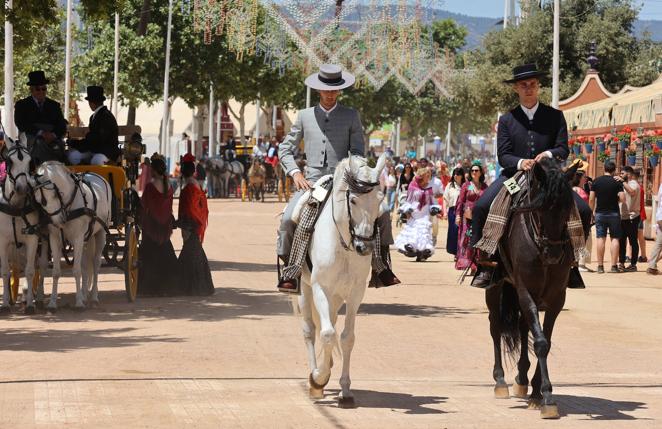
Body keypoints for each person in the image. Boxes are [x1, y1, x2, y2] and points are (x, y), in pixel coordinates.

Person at [276, 64, 400, 293]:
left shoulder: (351, 115)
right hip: (312, 182)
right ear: (318, 90)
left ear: (340, 91)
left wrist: (360, 173)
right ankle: (291, 271)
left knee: (380, 214)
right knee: (288, 219)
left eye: (334, 90)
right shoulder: (304, 116)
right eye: (326, 90)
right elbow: (285, 149)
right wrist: (295, 172)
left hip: (346, 182)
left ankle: (381, 267)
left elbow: (358, 151)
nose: (330, 94)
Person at [470, 64, 592, 287]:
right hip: (514, 176)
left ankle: (572, 262)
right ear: (516, 88)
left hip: (549, 178)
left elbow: (562, 149)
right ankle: (484, 264)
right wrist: (520, 162)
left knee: (584, 210)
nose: (529, 89)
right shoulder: (507, 120)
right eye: (524, 85)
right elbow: (503, 155)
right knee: (481, 207)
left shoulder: (555, 116)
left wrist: (546, 154)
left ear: (538, 87)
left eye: (533, 85)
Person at [138, 153, 181, 296]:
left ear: (154, 171)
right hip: (165, 227)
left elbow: (144, 206)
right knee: (166, 255)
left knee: (149, 258)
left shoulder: (150, 187)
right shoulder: (169, 186)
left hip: (151, 227)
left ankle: (149, 289)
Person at [178, 153, 214, 296]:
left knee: (191, 253)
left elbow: (191, 209)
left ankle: (191, 287)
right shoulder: (195, 184)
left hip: (191, 224)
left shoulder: (190, 187)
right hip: (194, 223)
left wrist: (186, 224)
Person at [14, 70, 67, 165]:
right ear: (31, 90)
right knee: (39, 143)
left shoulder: (54, 105)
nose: (41, 91)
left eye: (44, 88)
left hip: (52, 139)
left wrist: (53, 135)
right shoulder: (22, 105)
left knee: (59, 147)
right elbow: (20, 124)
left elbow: (61, 125)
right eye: (38, 89)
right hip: (31, 138)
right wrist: (41, 133)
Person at [394, 167, 440, 261]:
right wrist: (407, 211)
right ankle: (412, 248)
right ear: (422, 176)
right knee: (413, 231)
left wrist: (434, 209)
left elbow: (431, 201)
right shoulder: (413, 185)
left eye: (429, 176)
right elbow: (409, 200)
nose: (428, 178)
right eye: (427, 176)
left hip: (425, 212)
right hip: (414, 212)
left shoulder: (429, 186)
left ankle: (423, 252)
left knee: (424, 231)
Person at [67, 86, 120, 165]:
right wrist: (76, 143)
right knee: (73, 156)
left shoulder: (106, 117)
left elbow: (98, 139)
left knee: (96, 160)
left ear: (91, 102)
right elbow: (93, 140)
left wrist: (76, 143)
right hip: (94, 150)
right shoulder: (94, 117)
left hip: (106, 152)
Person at [589, 161, 626, 274]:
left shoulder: (596, 181)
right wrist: (616, 200)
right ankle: (614, 266)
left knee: (601, 238)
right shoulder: (617, 182)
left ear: (604, 169)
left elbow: (591, 199)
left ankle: (600, 266)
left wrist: (591, 213)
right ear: (614, 170)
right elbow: (623, 199)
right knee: (615, 238)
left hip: (600, 213)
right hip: (614, 213)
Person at [455, 161, 487, 272]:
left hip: (480, 217)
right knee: (467, 239)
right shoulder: (466, 185)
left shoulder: (484, 186)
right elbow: (460, 201)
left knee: (478, 238)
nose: (474, 172)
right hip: (467, 218)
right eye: (472, 170)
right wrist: (458, 216)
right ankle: (468, 263)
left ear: (481, 172)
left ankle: (475, 264)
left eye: (476, 170)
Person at [569, 159, 592, 271]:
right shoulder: (575, 190)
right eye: (584, 176)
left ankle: (579, 262)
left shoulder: (582, 188)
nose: (586, 178)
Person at [616, 166, 640, 272]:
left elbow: (632, 192)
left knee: (633, 241)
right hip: (622, 217)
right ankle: (621, 262)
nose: (621, 175)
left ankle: (633, 264)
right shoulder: (623, 184)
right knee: (621, 240)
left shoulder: (633, 184)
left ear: (629, 174)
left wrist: (622, 182)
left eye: (622, 173)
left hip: (632, 217)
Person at [443, 167, 465, 259]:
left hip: (464, 211)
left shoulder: (467, 185)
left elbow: (473, 193)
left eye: (458, 174)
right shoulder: (450, 185)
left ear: (462, 175)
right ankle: (455, 252)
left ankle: (462, 251)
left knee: (463, 231)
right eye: (455, 174)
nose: (456, 176)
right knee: (454, 231)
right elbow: (445, 199)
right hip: (452, 211)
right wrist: (444, 212)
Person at [646, 184, 662, 275]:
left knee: (659, 242)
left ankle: (652, 264)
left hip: (660, 216)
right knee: (659, 243)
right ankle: (652, 265)